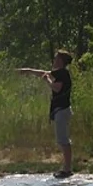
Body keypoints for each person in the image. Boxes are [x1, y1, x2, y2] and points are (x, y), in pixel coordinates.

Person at [18, 50, 73, 178]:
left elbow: (56, 88)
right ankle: (66, 168)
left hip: (62, 111)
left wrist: (47, 80)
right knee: (63, 140)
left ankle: (67, 169)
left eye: (56, 59)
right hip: (62, 110)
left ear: (61, 61)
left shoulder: (63, 74)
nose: (54, 61)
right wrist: (28, 71)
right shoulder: (60, 73)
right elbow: (44, 73)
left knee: (63, 141)